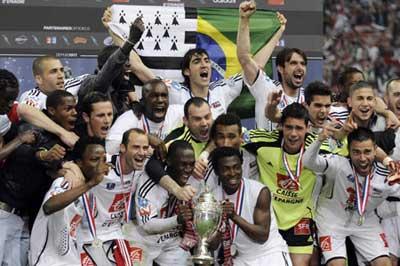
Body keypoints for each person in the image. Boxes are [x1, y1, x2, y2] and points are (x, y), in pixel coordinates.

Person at [303, 127, 398, 266]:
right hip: (331, 221)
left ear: (375, 150)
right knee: (337, 264)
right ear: (349, 150)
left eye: (367, 152)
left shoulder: (388, 176)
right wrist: (319, 140)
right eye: (356, 152)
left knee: (384, 263)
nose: (362, 158)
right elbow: (308, 162)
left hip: (365, 221)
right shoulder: (338, 164)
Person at [242, 103, 315, 266]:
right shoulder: (263, 141)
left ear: (308, 128)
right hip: (269, 219)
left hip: (300, 219)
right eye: (288, 127)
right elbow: (229, 134)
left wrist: (386, 160)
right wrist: (204, 156)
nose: (293, 134)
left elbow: (356, 149)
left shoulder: (317, 148)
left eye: (299, 128)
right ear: (280, 126)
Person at [30, 137, 109, 266]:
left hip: (71, 260)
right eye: (95, 160)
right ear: (79, 162)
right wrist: (90, 184)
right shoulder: (66, 182)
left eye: (104, 160)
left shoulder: (89, 190)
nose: (101, 165)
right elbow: (48, 207)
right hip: (48, 261)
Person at [208, 147, 291, 265]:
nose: (232, 173)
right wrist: (220, 221)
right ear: (216, 171)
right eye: (226, 169)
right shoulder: (213, 198)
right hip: (240, 258)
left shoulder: (259, 191)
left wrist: (234, 216)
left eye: (236, 167)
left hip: (270, 254)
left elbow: (262, 236)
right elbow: (213, 245)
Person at [236, 1, 306, 131]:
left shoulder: (308, 99)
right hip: (264, 150)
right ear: (280, 68)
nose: (300, 67)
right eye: (293, 63)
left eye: (303, 64)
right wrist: (244, 20)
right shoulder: (267, 88)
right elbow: (245, 59)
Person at [129, 140, 195, 265]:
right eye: (183, 164)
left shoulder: (193, 180)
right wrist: (177, 220)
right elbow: (147, 225)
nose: (188, 169)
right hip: (143, 240)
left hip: (170, 239)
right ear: (168, 161)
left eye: (191, 164)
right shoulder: (149, 183)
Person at [78, 17, 144, 117]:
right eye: (123, 62)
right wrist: (130, 42)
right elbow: (109, 71)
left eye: (128, 61)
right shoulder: (92, 85)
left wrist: (134, 102)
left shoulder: (123, 93)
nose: (128, 65)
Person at [106, 79, 183, 154]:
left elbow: (194, 108)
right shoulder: (130, 117)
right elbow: (110, 146)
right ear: (143, 101)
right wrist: (145, 139)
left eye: (164, 96)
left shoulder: (176, 113)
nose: (160, 100)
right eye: (154, 96)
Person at [18, 55, 88, 110]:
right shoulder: (32, 97)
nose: (61, 76)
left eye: (61, 70)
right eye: (53, 71)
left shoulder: (69, 84)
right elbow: (26, 114)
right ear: (39, 79)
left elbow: (94, 80)